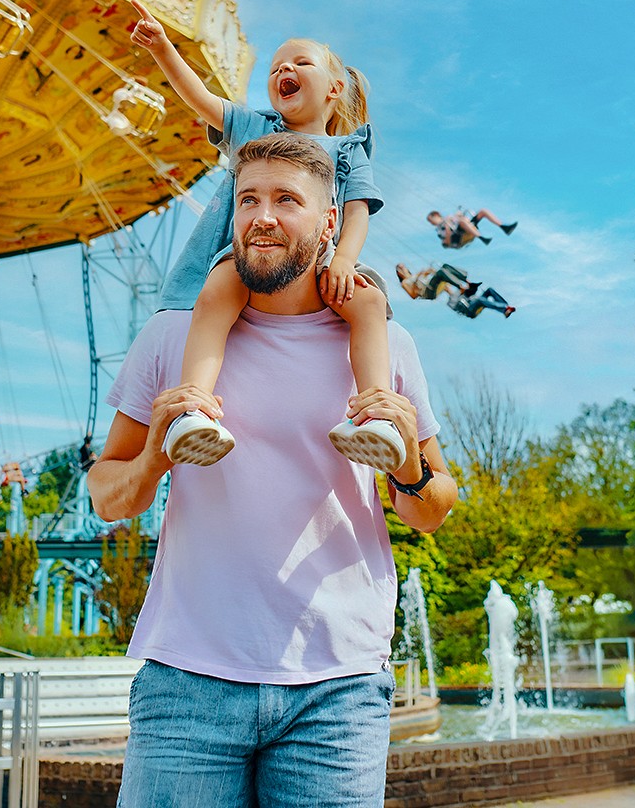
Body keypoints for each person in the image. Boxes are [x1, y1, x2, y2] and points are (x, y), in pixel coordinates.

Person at [88, 133, 456, 806]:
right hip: (187, 681)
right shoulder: (171, 338)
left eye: (287, 200)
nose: (263, 216)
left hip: (338, 689)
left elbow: (432, 508)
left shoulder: (387, 344)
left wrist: (404, 462)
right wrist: (152, 459)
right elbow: (108, 496)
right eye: (248, 198)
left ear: (329, 224)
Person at [129, 0, 404, 472]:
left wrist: (343, 261)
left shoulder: (349, 149)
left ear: (335, 88)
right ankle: (193, 407)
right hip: (253, 253)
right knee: (219, 289)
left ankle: (376, 414)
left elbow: (357, 212)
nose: (285, 70)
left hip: (318, 260)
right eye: (277, 67)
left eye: (300, 63)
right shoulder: (258, 128)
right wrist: (163, 49)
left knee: (370, 303)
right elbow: (201, 100)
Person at [426, 207, 517, 249]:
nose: (431, 223)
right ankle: (481, 237)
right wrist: (447, 230)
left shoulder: (449, 217)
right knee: (462, 222)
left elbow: (460, 219)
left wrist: (459, 215)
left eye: (431, 220)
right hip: (458, 236)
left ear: (437, 215)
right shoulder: (439, 231)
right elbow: (447, 244)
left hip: (466, 226)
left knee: (482, 211)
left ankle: (504, 227)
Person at [395, 263, 479, 302]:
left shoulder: (415, 274)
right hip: (427, 291)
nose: (403, 269)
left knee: (445, 266)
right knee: (441, 273)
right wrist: (416, 280)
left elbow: (423, 277)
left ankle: (467, 281)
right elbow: (413, 296)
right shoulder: (404, 283)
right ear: (398, 273)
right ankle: (461, 288)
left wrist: (427, 272)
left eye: (404, 267)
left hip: (429, 285)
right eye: (401, 268)